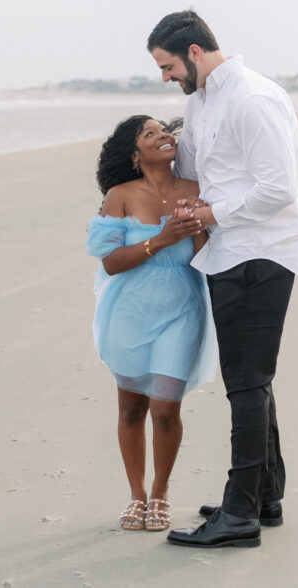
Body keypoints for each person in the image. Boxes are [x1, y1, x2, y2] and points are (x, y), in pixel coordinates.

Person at [146, 10, 298, 548]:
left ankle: (239, 516)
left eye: (168, 66)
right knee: (249, 378)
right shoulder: (199, 102)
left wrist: (211, 215)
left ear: (195, 51)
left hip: (263, 253)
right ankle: (263, 496)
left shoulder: (253, 98)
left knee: (245, 383)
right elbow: (195, 169)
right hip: (226, 254)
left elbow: (279, 188)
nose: (166, 78)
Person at [86, 114, 217, 533]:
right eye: (150, 133)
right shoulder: (120, 196)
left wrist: (197, 227)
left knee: (164, 409)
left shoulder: (196, 191)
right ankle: (136, 496)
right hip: (129, 311)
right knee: (131, 408)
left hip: (182, 306)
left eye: (165, 129)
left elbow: (205, 257)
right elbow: (111, 262)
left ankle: (159, 493)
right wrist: (161, 239)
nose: (163, 135)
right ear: (135, 153)